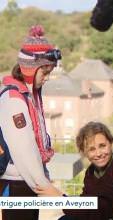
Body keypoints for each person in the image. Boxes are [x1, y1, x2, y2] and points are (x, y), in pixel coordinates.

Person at [0, 25, 59, 220]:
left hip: (26, 183)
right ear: (30, 70)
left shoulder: (30, 97)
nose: (47, 78)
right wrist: (45, 186)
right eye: (45, 73)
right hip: (16, 184)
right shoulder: (14, 101)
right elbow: (24, 149)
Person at [35, 122, 113, 220]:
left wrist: (61, 198)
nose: (98, 153)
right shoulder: (91, 172)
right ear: (85, 152)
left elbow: (101, 211)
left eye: (102, 146)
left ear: (111, 144)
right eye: (92, 149)